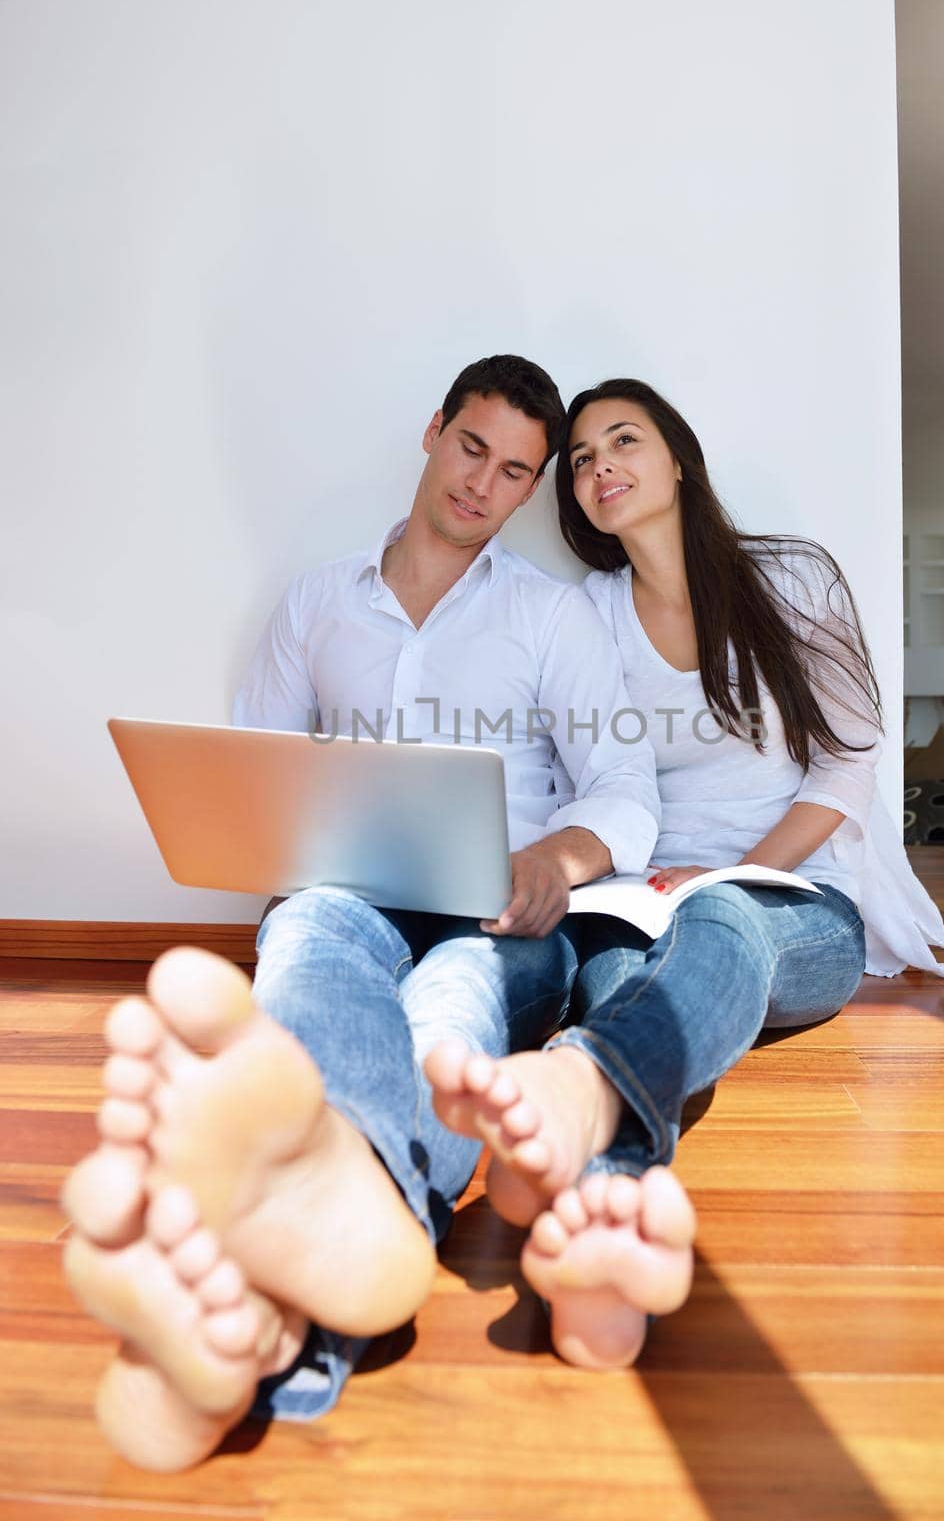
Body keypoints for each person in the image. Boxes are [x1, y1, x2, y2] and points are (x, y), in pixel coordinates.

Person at [60, 356, 661, 1471]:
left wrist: (554, 856)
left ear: (531, 489)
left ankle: (301, 1294)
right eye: (472, 447)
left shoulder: (551, 619)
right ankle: (329, 1256)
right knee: (303, 939)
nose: (483, 483)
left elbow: (627, 794)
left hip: (495, 916)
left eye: (515, 470)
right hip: (347, 894)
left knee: (449, 1006)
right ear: (434, 433)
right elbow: (255, 769)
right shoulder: (318, 602)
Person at [426, 377, 944, 1372]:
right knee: (622, 977)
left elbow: (848, 761)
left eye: (622, 441)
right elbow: (586, 771)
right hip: (637, 900)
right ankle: (606, 1224)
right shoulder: (590, 614)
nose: (598, 467)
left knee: (724, 928)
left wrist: (736, 875)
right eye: (579, 460)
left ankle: (580, 1086)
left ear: (679, 460)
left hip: (796, 899)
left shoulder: (791, 580)